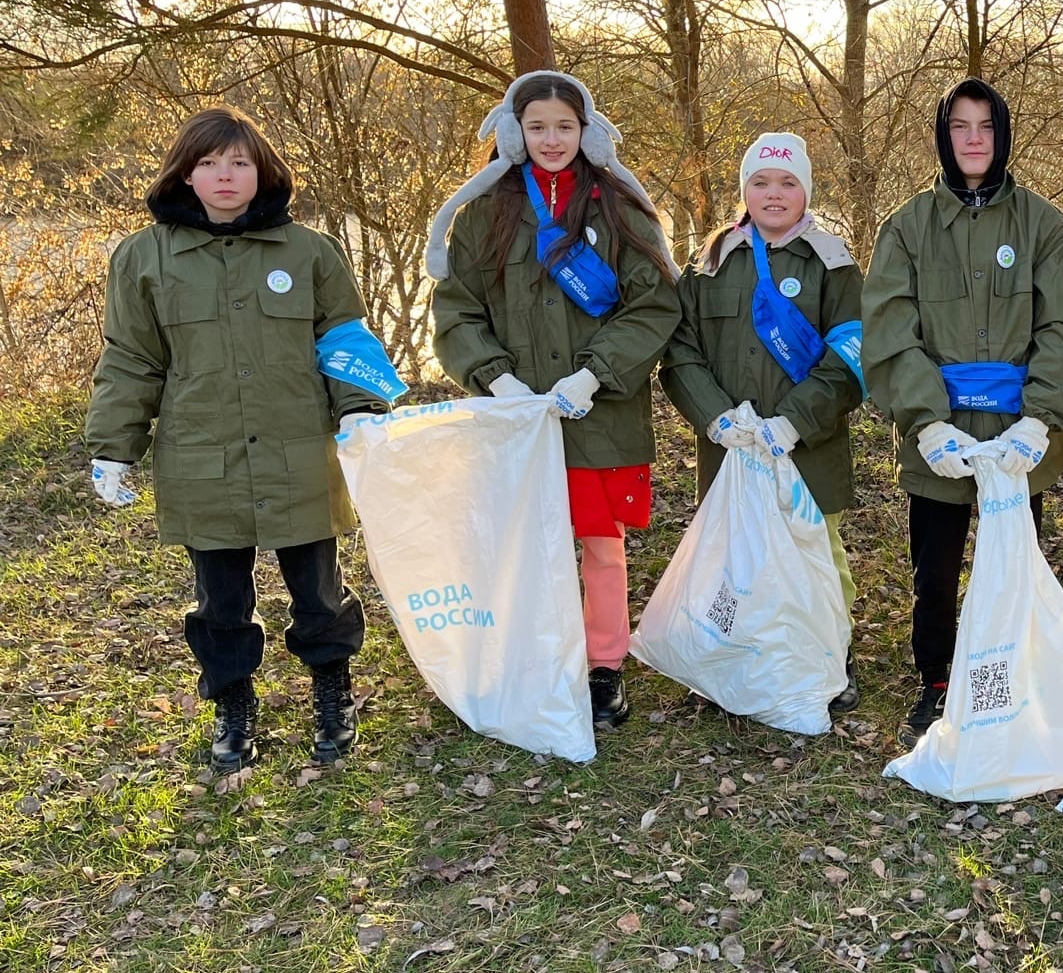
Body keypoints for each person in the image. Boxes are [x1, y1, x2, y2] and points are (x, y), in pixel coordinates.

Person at [85, 106, 403, 771]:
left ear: (263, 172)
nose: (225, 176)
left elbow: (344, 338)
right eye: (208, 163)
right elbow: (130, 359)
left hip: (298, 449)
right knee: (220, 599)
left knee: (318, 589)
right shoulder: (143, 257)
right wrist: (114, 445)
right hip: (203, 455)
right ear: (185, 174)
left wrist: (359, 408)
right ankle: (232, 703)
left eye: (239, 162)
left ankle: (332, 690)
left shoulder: (310, 252)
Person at [427, 71, 681, 731]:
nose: (551, 139)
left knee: (601, 543)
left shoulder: (617, 204)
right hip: (515, 421)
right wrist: (496, 379)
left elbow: (655, 302)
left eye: (563, 126)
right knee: (522, 545)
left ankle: (603, 669)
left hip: (598, 412)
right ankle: (534, 656)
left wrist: (596, 374)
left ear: (585, 130)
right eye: (537, 126)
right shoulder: (485, 210)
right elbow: (456, 311)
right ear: (514, 133)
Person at [865, 78, 1063, 747]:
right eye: (960, 127)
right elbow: (889, 328)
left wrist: (1039, 419)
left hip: (1016, 438)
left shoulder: (1044, 224)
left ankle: (1011, 674)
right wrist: (925, 421)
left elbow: (1059, 328)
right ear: (942, 135)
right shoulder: (907, 227)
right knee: (935, 568)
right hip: (942, 437)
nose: (973, 140)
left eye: (985, 127)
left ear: (1003, 135)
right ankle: (936, 677)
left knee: (1016, 559)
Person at [660, 132, 865, 712]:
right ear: (743, 189)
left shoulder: (833, 264)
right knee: (734, 557)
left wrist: (795, 422)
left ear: (806, 190)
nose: (773, 195)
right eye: (760, 182)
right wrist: (715, 418)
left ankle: (831, 652)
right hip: (732, 448)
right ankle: (737, 654)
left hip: (807, 447)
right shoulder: (710, 263)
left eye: (787, 183)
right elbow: (679, 351)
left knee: (817, 554)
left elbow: (853, 354)